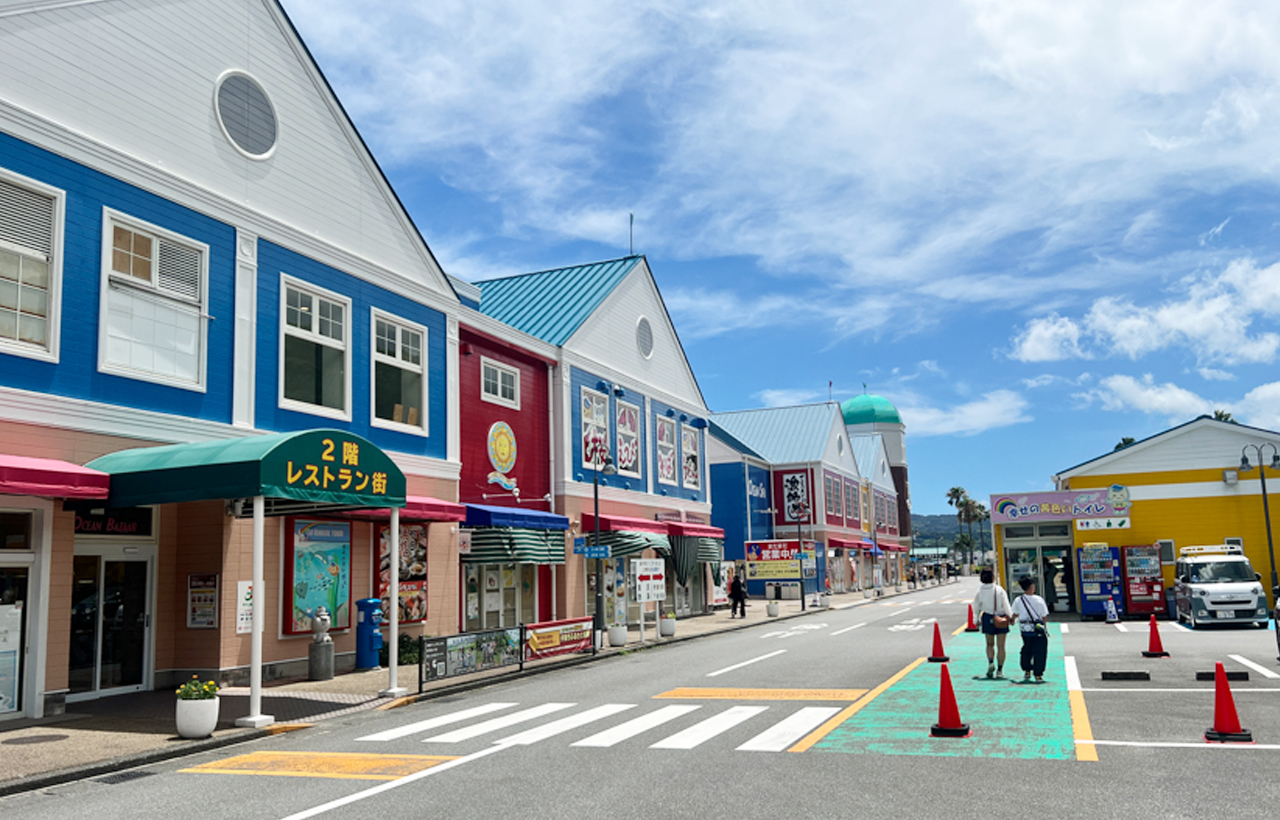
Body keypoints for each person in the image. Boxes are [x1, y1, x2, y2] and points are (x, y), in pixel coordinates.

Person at [973, 568, 1013, 679]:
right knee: (1001, 646)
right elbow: (1006, 605)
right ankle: (1000, 670)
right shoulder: (999, 590)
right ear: (993, 577)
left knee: (989, 644)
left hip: (987, 617)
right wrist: (1011, 617)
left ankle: (991, 662)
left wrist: (976, 620)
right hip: (1001, 618)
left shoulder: (979, 591)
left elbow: (976, 607)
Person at [1012, 575, 1050, 683]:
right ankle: (1038, 675)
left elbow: (1014, 613)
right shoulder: (1039, 600)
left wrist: (1012, 620)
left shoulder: (1019, 600)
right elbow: (1044, 616)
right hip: (1038, 630)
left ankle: (1027, 670)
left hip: (1025, 630)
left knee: (1027, 648)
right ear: (1032, 586)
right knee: (1040, 651)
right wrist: (1044, 627)